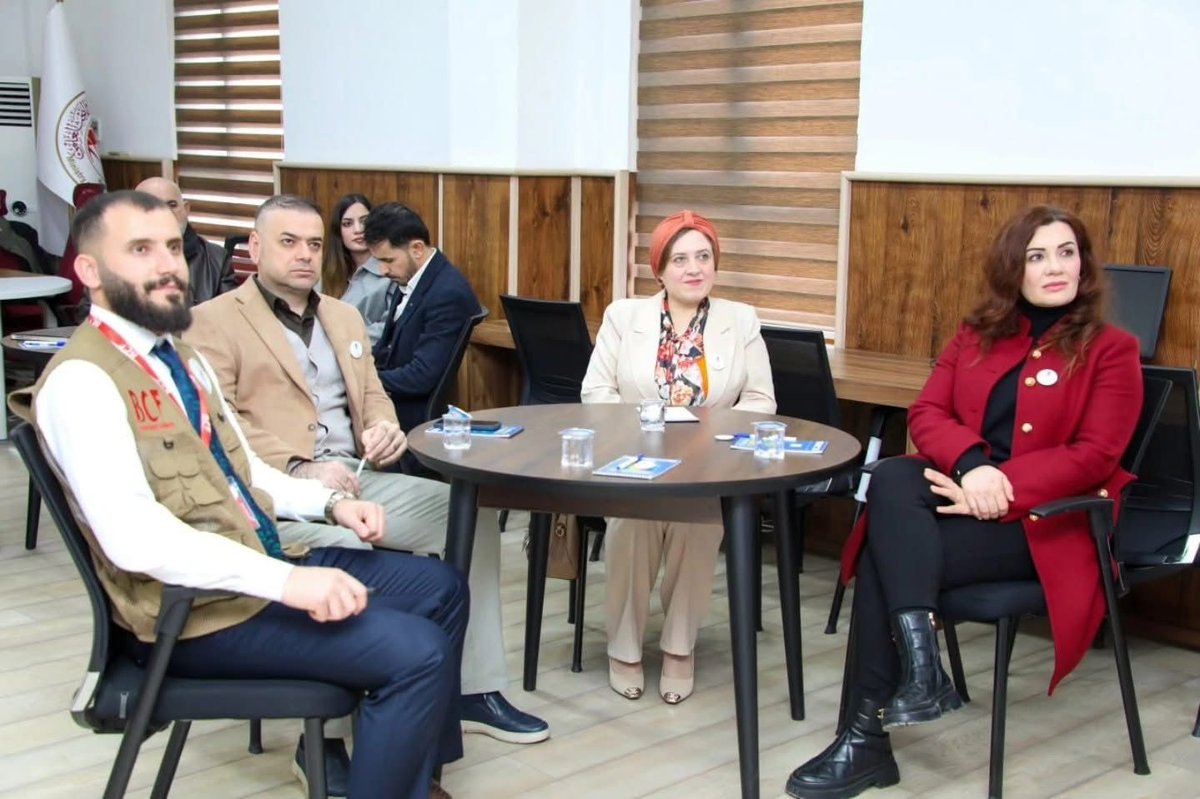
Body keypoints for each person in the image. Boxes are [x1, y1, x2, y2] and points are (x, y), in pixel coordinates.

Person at [9, 190, 466, 799]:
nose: (167, 265)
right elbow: (134, 538)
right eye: (140, 250)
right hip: (190, 614)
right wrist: (289, 582)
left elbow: (245, 472)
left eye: (171, 247)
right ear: (89, 270)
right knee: (417, 650)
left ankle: (409, 776)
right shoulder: (82, 381)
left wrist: (331, 506)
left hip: (251, 565)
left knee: (441, 588)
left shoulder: (177, 359)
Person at [186, 194, 549, 789]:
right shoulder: (213, 321)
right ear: (255, 247)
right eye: (287, 242)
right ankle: (321, 736)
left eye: (312, 244)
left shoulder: (343, 315)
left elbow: (374, 393)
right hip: (278, 489)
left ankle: (474, 688)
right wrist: (301, 466)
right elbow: (225, 428)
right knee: (347, 550)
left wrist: (384, 428)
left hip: (360, 473)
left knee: (470, 514)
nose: (304, 255)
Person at [784, 205, 1144, 799]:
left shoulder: (1112, 349)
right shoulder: (976, 335)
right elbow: (927, 411)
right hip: (961, 498)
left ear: (1083, 264)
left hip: (1045, 528)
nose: (1055, 267)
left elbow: (1096, 454)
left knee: (883, 555)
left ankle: (868, 737)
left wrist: (999, 487)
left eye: (1067, 253)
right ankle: (913, 677)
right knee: (893, 480)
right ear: (1012, 269)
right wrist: (973, 467)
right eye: (1037, 256)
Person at [580, 210, 775, 704]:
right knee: (633, 525)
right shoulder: (624, 316)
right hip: (634, 461)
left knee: (699, 525)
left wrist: (713, 433)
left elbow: (761, 401)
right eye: (681, 259)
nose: (694, 269)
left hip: (706, 466)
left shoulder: (740, 319)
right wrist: (640, 429)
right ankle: (624, 647)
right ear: (660, 270)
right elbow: (595, 392)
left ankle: (679, 647)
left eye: (703, 257)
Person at [368, 203, 482, 434]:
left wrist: (364, 380)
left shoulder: (447, 293)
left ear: (417, 249)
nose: (382, 270)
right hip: (389, 398)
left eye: (388, 260)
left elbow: (422, 376)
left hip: (411, 417)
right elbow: (387, 348)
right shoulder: (411, 277)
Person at [135, 177, 237, 305]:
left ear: (186, 208)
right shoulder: (118, 261)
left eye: (172, 205)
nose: (165, 214)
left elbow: (230, 312)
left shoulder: (217, 259)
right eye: (150, 206)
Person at [321, 193, 396, 345]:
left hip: (367, 353)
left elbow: (390, 327)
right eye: (347, 224)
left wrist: (344, 340)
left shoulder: (390, 272)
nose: (358, 229)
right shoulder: (325, 273)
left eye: (364, 221)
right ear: (338, 232)